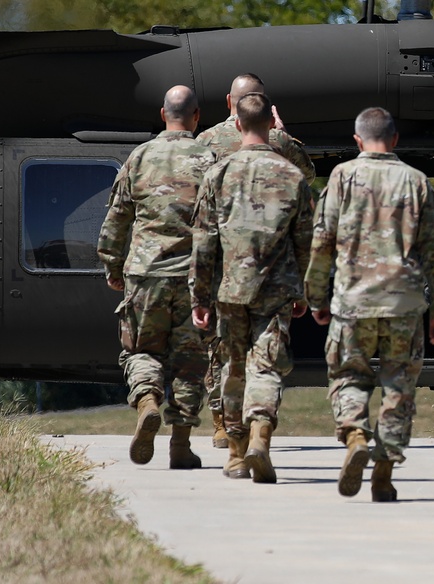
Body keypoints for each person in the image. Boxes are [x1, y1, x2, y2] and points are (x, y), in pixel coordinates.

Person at [305, 106, 434, 502]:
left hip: (353, 302)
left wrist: (316, 296)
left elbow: (321, 242)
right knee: (398, 387)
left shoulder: (341, 178)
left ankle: (355, 435)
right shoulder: (418, 182)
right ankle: (384, 473)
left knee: (349, 376)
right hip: (404, 306)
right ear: (395, 140)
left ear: (357, 140)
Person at [189, 92, 314, 483]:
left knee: (233, 367)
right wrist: (305, 291)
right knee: (267, 366)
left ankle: (236, 454)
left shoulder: (217, 174)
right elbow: (306, 241)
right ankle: (262, 434)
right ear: (272, 127)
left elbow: (204, 240)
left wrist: (200, 295)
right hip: (276, 290)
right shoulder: (293, 176)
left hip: (229, 290)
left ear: (238, 124)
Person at [97, 85, 216, 468]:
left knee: (141, 351)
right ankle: (180, 445)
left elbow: (117, 219)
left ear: (162, 114)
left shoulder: (140, 157)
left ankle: (147, 400)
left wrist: (113, 267)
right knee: (190, 361)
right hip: (194, 276)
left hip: (145, 273)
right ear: (197, 116)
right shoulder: (209, 158)